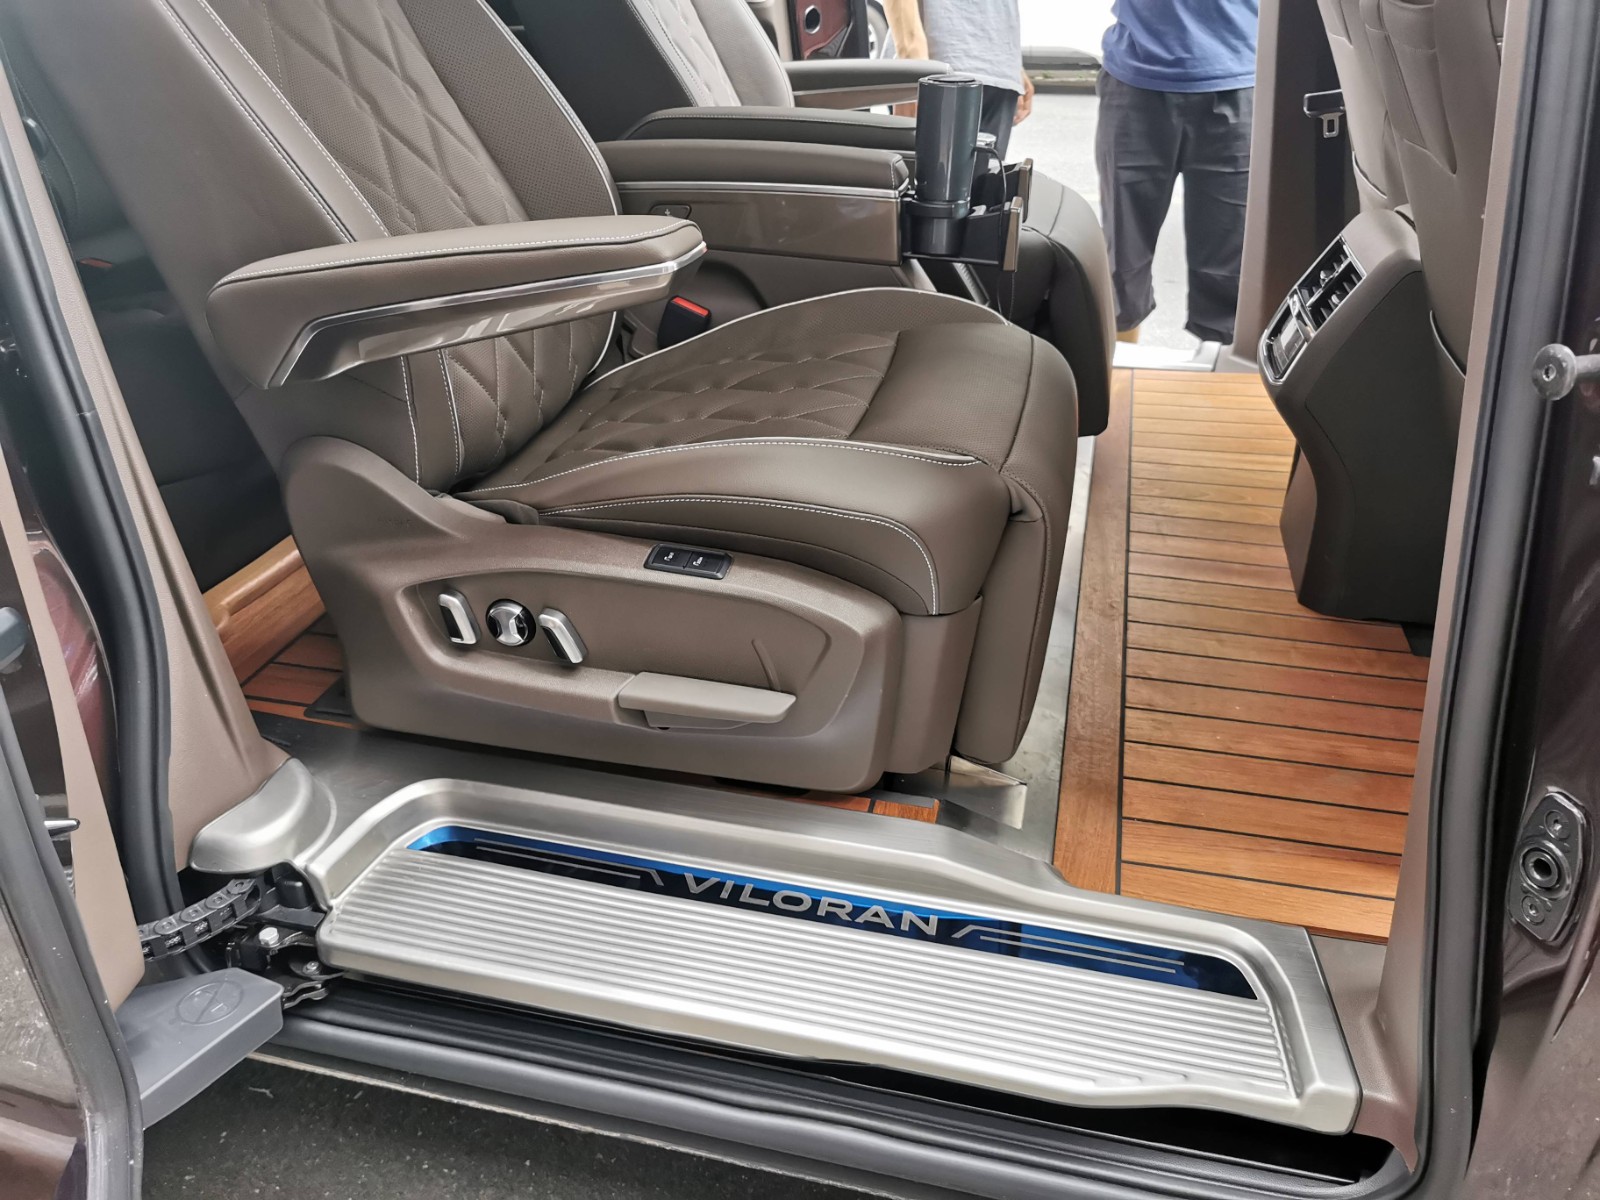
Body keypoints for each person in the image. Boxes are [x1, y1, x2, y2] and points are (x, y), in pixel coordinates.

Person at [1096, 0, 1259, 346]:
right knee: (1121, 257)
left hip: (1238, 76)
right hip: (1135, 75)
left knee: (1231, 262)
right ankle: (1116, 370)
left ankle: (1220, 372)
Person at [883, 0, 1034, 156]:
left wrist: (1016, 67)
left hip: (1000, 69)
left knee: (987, 171)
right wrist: (913, 64)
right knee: (926, 169)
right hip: (941, 70)